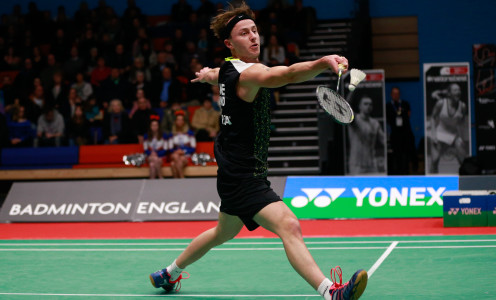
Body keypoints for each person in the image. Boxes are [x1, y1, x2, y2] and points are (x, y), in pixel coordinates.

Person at [149, 3, 367, 300]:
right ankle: (332, 292)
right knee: (289, 225)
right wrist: (323, 62)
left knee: (221, 233)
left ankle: (167, 273)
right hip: (243, 175)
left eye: (254, 30)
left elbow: (217, 73)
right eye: (244, 33)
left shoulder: (229, 67)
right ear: (230, 43)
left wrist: (206, 75)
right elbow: (287, 75)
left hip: (232, 169)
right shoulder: (249, 74)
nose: (253, 37)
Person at [428, 83, 469, 173]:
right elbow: (433, 117)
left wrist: (462, 138)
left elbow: (462, 123)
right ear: (449, 93)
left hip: (454, 134)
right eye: (455, 90)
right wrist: (434, 135)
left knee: (463, 161)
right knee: (435, 160)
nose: (458, 92)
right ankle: (432, 181)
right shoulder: (441, 103)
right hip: (440, 133)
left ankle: (465, 181)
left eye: (459, 90)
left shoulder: (462, 106)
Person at [347, 96, 385, 175]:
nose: (368, 106)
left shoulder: (375, 123)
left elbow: (383, 140)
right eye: (365, 104)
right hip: (356, 165)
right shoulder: (354, 120)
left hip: (371, 164)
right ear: (359, 106)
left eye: (370, 104)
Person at [385, 87, 416, 175]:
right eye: (394, 94)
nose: (396, 95)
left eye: (397, 94)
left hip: (405, 134)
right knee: (396, 155)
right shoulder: (388, 106)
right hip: (395, 134)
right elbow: (388, 119)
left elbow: (408, 115)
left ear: (399, 95)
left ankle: (406, 173)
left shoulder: (405, 104)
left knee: (405, 155)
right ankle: (397, 174)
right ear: (391, 95)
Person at [169, 111, 196, 178]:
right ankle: (182, 178)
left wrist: (183, 152)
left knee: (173, 164)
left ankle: (177, 180)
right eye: (178, 120)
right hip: (175, 155)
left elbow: (193, 147)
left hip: (186, 156)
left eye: (181, 120)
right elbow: (169, 148)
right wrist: (177, 152)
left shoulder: (190, 133)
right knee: (176, 156)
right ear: (175, 121)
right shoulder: (172, 134)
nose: (180, 121)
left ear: (184, 122)